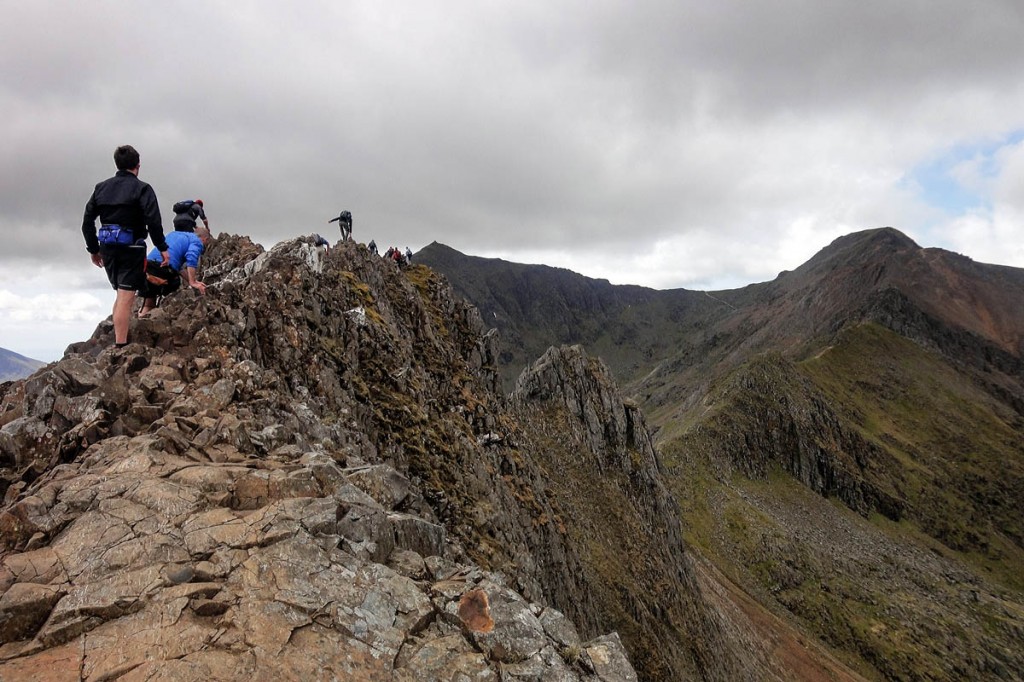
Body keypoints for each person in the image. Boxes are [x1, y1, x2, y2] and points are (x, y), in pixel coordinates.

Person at [82, 144, 169, 348]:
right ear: (137, 166)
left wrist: (94, 249)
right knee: (125, 296)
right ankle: (120, 345)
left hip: (107, 247)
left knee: (121, 294)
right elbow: (153, 221)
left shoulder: (101, 188)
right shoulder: (142, 189)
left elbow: (87, 222)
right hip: (131, 248)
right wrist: (162, 247)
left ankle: (119, 338)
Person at [137, 226, 212, 317]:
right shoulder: (197, 242)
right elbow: (191, 258)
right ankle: (167, 311)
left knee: (149, 300)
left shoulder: (174, 234)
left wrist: (190, 280)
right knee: (176, 282)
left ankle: (143, 319)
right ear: (205, 239)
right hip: (163, 269)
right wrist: (193, 282)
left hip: (146, 267)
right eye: (206, 243)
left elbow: (178, 267)